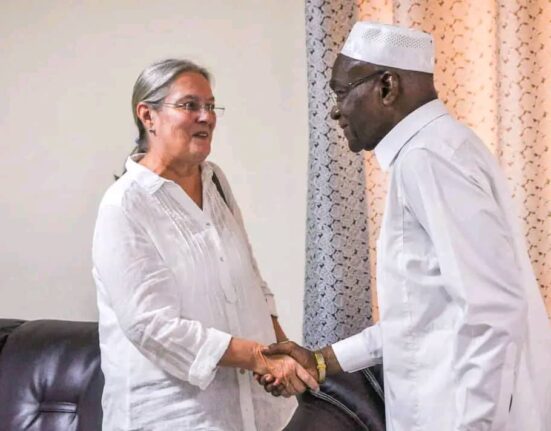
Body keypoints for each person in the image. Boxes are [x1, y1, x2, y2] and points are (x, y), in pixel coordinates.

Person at [260, 22, 551, 430]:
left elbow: (493, 312)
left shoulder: (429, 158)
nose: (335, 110)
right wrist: (324, 360)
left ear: (386, 87)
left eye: (342, 92)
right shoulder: (439, 148)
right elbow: (422, 318)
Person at [92, 58, 317, 431]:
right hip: (175, 416)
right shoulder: (124, 205)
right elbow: (151, 326)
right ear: (148, 116)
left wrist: (282, 352)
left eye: (210, 106)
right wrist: (258, 356)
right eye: (190, 105)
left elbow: (250, 283)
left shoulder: (215, 181)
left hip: (256, 412)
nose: (206, 117)